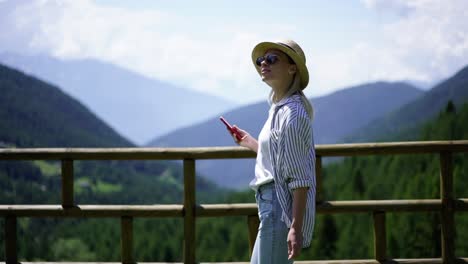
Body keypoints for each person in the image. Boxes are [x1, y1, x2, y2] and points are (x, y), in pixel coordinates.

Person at [228, 40, 316, 263]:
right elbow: (281, 159)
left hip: (279, 207)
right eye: (261, 60)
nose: (263, 63)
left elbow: (299, 177)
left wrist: (295, 226)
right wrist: (251, 143)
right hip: (270, 206)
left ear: (292, 67)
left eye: (272, 59)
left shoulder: (292, 114)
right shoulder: (279, 108)